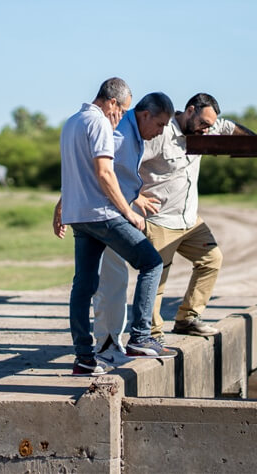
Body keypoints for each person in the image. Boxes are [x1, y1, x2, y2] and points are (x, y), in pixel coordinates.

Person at [90, 93, 255, 362]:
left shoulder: (205, 128)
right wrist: (136, 197)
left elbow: (228, 127)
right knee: (157, 280)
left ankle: (188, 318)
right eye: (203, 123)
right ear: (190, 111)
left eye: (209, 125)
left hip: (189, 220)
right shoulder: (160, 133)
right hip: (161, 221)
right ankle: (152, 335)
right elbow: (118, 166)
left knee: (212, 260)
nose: (206, 130)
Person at [57, 81, 176, 376]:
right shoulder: (100, 123)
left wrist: (63, 205)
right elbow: (104, 172)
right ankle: (140, 337)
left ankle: (84, 358)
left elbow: (73, 170)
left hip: (80, 215)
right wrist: (128, 211)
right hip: (102, 213)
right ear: (112, 103)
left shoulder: (72, 122)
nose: (121, 117)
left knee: (83, 286)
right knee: (151, 263)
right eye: (122, 111)